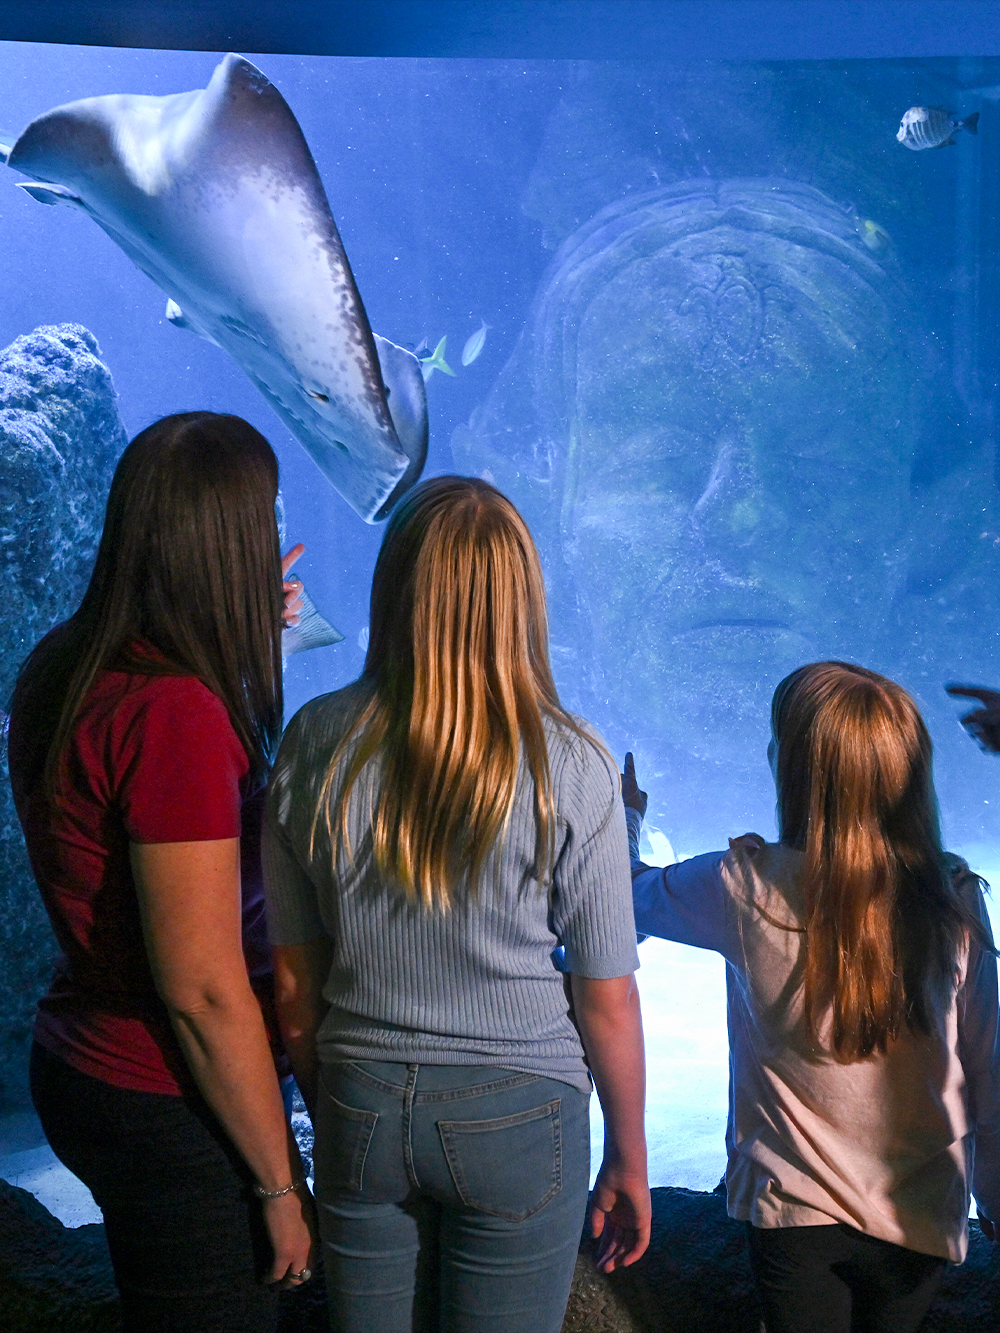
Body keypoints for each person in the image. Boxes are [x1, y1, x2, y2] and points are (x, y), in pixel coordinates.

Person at [262, 475, 651, 1333]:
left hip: (358, 1100)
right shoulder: (573, 763)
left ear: (392, 587)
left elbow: (294, 980)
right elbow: (607, 995)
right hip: (521, 1112)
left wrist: (341, 1095)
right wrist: (630, 1151)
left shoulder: (313, 741)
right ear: (523, 599)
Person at [7, 412, 316, 1333]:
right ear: (223, 543)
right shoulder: (174, 711)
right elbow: (202, 990)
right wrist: (275, 1181)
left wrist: (253, 638)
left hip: (83, 1052)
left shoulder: (65, 662)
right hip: (166, 1093)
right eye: (262, 516)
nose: (274, 534)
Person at [623, 661, 1000, 1333]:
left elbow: (624, 892)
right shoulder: (955, 895)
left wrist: (625, 817)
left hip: (794, 1214)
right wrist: (995, 1193)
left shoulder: (743, 885)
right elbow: (988, 1064)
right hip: (920, 1213)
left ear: (793, 770)